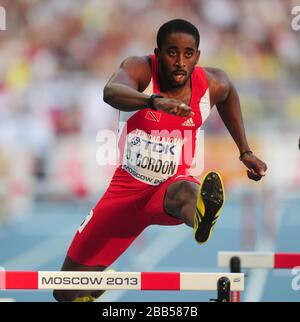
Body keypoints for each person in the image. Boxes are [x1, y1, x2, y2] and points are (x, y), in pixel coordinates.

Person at [53, 19, 267, 302]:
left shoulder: (211, 84)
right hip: (125, 192)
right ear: (157, 53)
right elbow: (110, 92)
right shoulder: (140, 69)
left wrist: (245, 151)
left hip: (168, 189)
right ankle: (96, 285)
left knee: (187, 191)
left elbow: (228, 93)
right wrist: (152, 101)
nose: (180, 61)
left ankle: (201, 217)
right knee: (64, 292)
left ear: (197, 56)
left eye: (188, 54)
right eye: (171, 52)